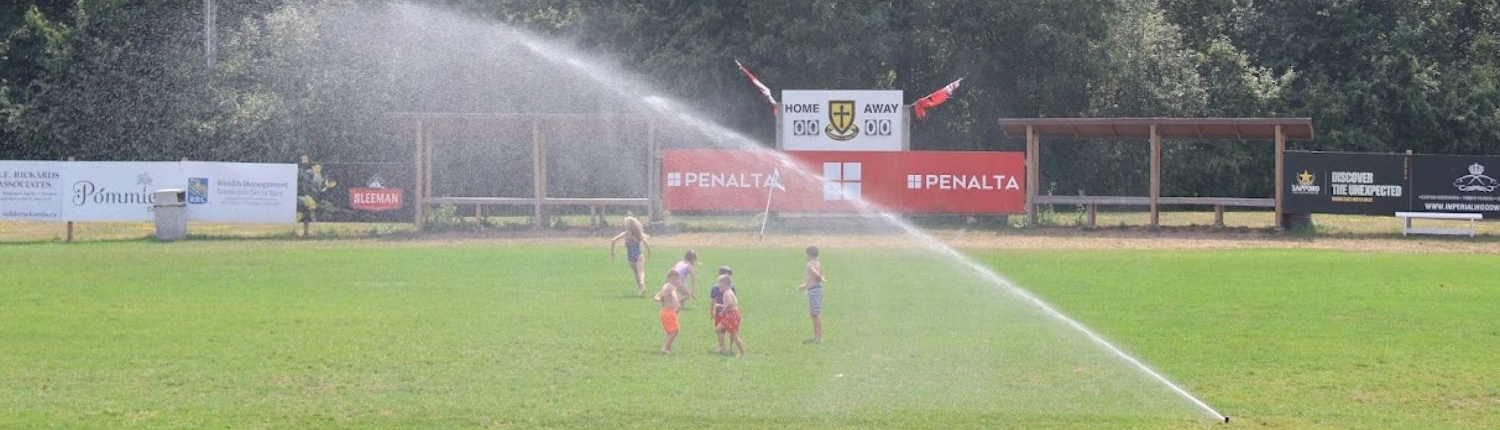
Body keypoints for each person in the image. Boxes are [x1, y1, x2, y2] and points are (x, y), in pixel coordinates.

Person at [608, 216, 652, 295]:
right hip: (638, 255)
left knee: (636, 273)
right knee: (641, 271)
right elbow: (646, 244)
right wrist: (649, 253)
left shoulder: (626, 234)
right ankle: (642, 282)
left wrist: (612, 252)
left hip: (630, 258)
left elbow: (613, 240)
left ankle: (641, 289)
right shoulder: (638, 234)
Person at [796, 246, 825, 344]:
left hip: (814, 292)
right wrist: (804, 287)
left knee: (815, 314)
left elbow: (816, 274)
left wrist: (819, 277)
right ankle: (816, 335)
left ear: (809, 255)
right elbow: (812, 280)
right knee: (813, 314)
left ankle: (819, 337)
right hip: (816, 290)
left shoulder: (809, 265)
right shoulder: (818, 264)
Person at [714, 273, 746, 356]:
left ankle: (742, 352)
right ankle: (723, 348)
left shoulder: (726, 293)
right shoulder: (730, 292)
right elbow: (731, 304)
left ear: (725, 284)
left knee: (732, 334)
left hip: (732, 315)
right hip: (735, 314)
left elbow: (729, 303)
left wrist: (722, 311)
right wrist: (721, 306)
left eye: (720, 286)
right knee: (721, 330)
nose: (719, 288)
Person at [653, 269, 683, 354]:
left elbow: (657, 297)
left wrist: (660, 299)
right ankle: (665, 348)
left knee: (673, 330)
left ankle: (668, 348)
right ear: (671, 278)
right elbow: (670, 295)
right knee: (674, 331)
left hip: (668, 312)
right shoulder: (670, 287)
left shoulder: (668, 287)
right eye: (677, 279)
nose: (679, 281)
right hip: (668, 312)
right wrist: (677, 304)